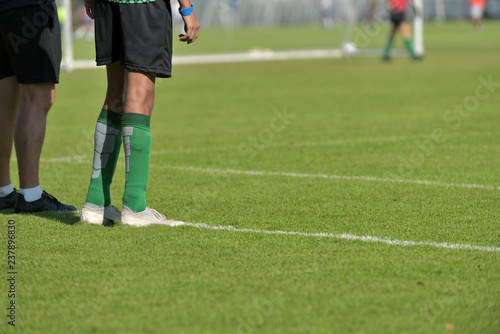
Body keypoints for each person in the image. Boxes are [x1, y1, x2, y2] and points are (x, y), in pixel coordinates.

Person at [80, 0, 199, 226]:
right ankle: (135, 207)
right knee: (139, 96)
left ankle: (95, 204)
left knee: (114, 97)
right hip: (142, 5)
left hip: (108, 5)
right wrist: (187, 8)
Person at [0, 0, 76, 212]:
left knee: (5, 99)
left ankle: (3, 191)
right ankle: (31, 195)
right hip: (31, 8)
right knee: (39, 98)